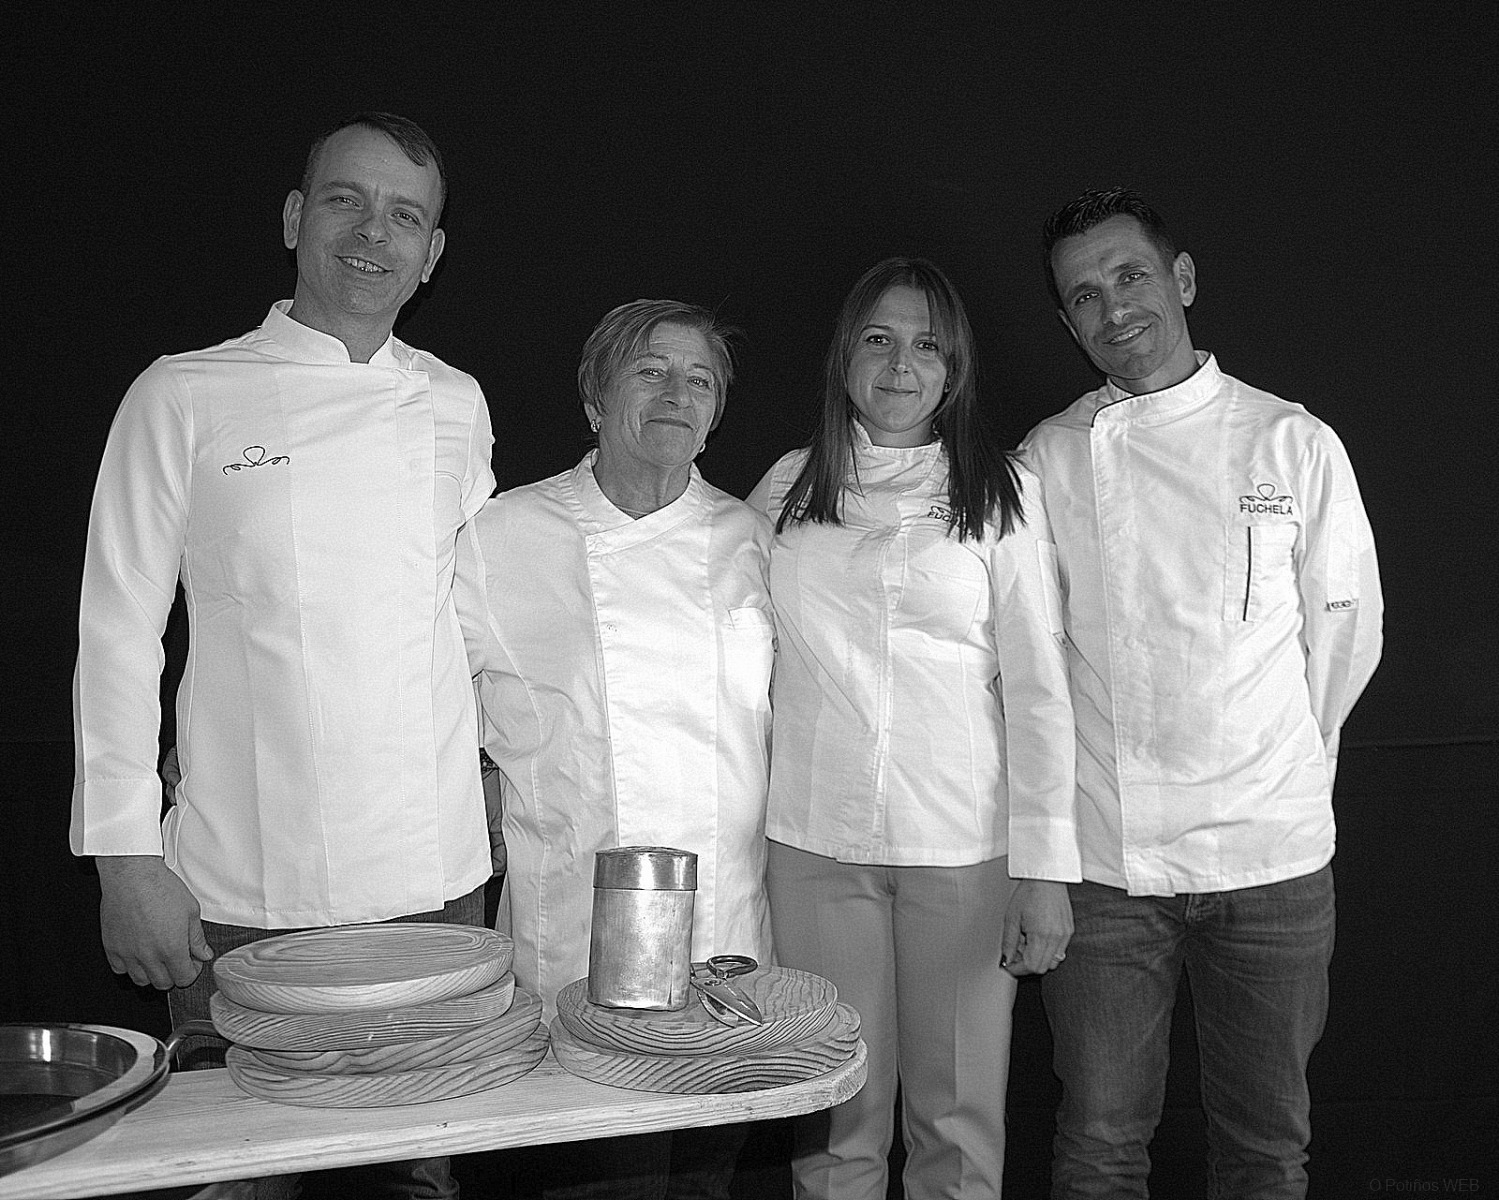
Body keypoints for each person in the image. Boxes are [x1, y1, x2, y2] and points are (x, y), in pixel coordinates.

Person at [71, 112, 494, 1199]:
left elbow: (469, 619)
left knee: (415, 1181)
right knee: (236, 1180)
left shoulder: (456, 404)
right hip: (240, 887)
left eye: (405, 216)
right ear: (297, 217)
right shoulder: (182, 393)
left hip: (430, 886)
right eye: (347, 200)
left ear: (433, 253)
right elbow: (116, 631)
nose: (373, 233)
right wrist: (125, 859)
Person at [1022, 187, 1383, 1198]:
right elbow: (1030, 661)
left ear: (1180, 279)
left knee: (1265, 1146)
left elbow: (1344, 636)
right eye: (1082, 295)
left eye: (1129, 275)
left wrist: (1281, 759)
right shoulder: (1047, 459)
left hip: (1271, 853)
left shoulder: (1289, 441)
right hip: (1108, 862)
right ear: (1067, 323)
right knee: (1098, 1141)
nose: (1111, 308)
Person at [747, 257, 1080, 1200]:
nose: (900, 365)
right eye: (878, 340)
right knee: (832, 1124)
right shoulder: (786, 489)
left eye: (925, 345)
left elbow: (1039, 687)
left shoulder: (1001, 492)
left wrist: (1044, 870)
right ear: (843, 357)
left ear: (953, 367)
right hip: (811, 844)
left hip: (961, 850)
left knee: (956, 1123)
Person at [461, 299, 774, 1199]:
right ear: (594, 400)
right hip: (572, 933)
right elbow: (431, 710)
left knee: (705, 1183)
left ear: (715, 415)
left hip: (722, 933)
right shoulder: (501, 536)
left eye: (699, 380)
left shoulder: (750, 540)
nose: (677, 394)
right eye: (649, 371)